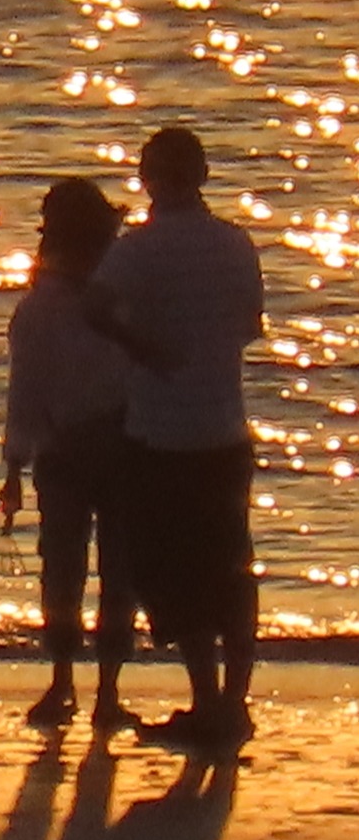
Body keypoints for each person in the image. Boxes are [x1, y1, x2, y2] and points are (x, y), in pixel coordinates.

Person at [84, 126, 264, 750]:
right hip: (222, 426)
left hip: (160, 434)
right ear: (204, 178)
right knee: (230, 566)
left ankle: (209, 701)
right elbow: (250, 326)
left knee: (176, 573)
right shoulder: (235, 244)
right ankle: (231, 704)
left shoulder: (140, 248)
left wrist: (145, 348)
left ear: (150, 180)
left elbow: (94, 308)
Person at [0, 178, 138, 732]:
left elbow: (23, 398)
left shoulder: (38, 308)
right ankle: (105, 694)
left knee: (62, 571)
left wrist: (12, 468)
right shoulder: (127, 295)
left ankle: (63, 684)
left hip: (62, 451)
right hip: (128, 445)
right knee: (118, 572)